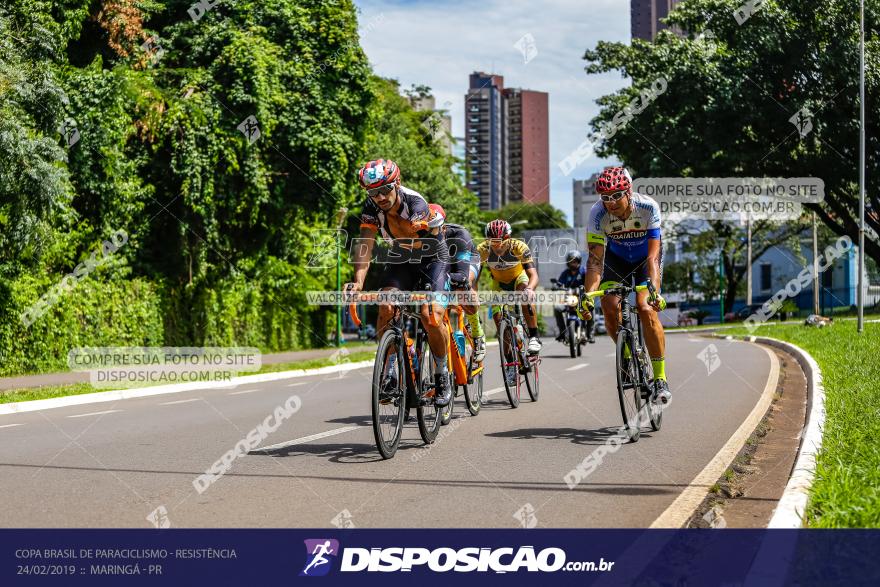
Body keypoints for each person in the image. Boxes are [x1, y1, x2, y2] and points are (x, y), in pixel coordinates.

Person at [345, 159, 454, 407]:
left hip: (432, 258)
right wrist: (358, 283)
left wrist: (421, 225)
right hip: (401, 258)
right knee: (386, 306)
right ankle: (391, 371)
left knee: (431, 315)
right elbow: (365, 246)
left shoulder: (414, 202)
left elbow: (423, 227)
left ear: (397, 183)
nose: (380, 196)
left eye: (385, 189)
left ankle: (441, 374)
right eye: (373, 192)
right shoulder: (371, 208)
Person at [576, 166, 670, 403]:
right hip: (616, 261)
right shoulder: (597, 214)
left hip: (644, 261)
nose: (611, 202)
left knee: (646, 308)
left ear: (629, 191)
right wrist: (587, 297)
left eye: (616, 195)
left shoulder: (648, 207)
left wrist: (654, 292)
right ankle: (626, 356)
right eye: (605, 197)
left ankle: (660, 379)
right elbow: (596, 260)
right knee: (608, 304)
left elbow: (652, 257)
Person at [476, 219, 541, 386]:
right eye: (493, 242)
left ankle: (534, 336)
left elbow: (533, 275)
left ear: (508, 238)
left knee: (525, 294)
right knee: (500, 325)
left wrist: (530, 289)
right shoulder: (482, 250)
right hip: (499, 284)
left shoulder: (519, 247)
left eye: (501, 241)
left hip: (518, 278)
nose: (497, 246)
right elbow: (474, 278)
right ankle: (511, 364)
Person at [429, 204, 486, 363]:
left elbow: (461, 274)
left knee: (463, 288)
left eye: (434, 230)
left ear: (444, 228)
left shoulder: (459, 235)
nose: (430, 235)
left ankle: (477, 331)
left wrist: (458, 281)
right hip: (444, 264)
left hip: (466, 259)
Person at [554, 250, 595, 344]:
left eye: (575, 261)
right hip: (568, 300)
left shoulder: (584, 271)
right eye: (570, 261)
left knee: (591, 309)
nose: (573, 263)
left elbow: (589, 283)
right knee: (557, 308)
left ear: (579, 261)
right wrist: (556, 286)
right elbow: (560, 283)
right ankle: (562, 333)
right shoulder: (565, 273)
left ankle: (590, 333)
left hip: (582, 299)